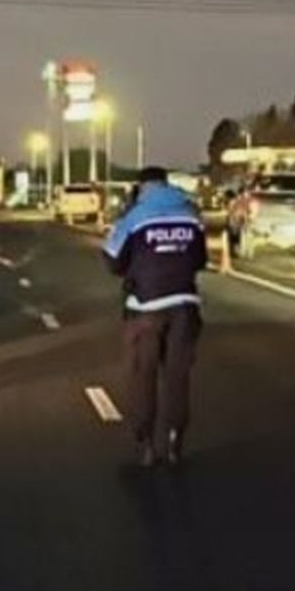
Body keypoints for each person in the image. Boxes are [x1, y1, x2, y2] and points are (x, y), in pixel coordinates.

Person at [102, 166, 208, 468]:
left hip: (145, 308)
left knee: (142, 373)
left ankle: (145, 441)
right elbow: (200, 259)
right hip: (185, 305)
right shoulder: (191, 214)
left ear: (142, 187)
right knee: (177, 376)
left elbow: (112, 260)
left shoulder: (135, 216)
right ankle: (175, 438)